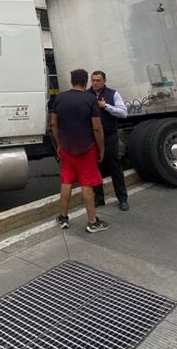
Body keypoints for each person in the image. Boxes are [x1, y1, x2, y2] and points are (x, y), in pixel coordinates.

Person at [51, 69, 108, 233]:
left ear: (72, 81)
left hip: (66, 148)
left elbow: (54, 124)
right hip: (86, 149)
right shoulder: (90, 99)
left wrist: (59, 143)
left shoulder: (60, 98)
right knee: (86, 183)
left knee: (66, 182)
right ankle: (92, 222)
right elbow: (97, 128)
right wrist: (101, 149)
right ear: (85, 82)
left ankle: (63, 218)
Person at [88, 70, 130, 211]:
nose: (95, 83)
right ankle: (99, 198)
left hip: (110, 136)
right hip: (93, 138)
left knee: (115, 168)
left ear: (104, 81)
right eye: (93, 80)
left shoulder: (113, 94)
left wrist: (105, 106)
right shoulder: (87, 95)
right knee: (96, 169)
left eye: (98, 80)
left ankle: (122, 199)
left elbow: (123, 113)